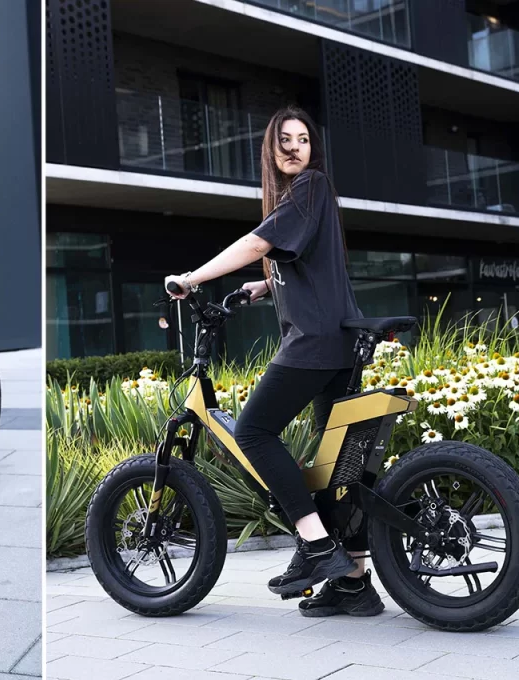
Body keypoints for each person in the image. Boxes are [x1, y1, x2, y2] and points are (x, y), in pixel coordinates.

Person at [164, 105, 385, 618]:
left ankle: (316, 544)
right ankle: (354, 582)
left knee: (254, 432)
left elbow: (258, 241)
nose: (293, 147)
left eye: (303, 139)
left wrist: (192, 279)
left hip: (313, 343)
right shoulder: (307, 198)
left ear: (312, 150)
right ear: (270, 148)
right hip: (339, 342)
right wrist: (265, 285)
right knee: (338, 469)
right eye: (284, 139)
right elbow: (312, 262)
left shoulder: (309, 185)